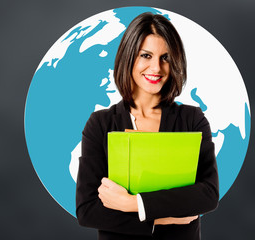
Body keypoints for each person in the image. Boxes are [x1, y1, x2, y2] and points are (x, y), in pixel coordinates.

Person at [76, 12, 219, 240]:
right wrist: (162, 217)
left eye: (166, 57)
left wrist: (131, 203)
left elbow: (207, 195)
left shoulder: (192, 120)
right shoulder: (100, 124)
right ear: (128, 57)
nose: (157, 68)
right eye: (146, 55)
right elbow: (88, 210)